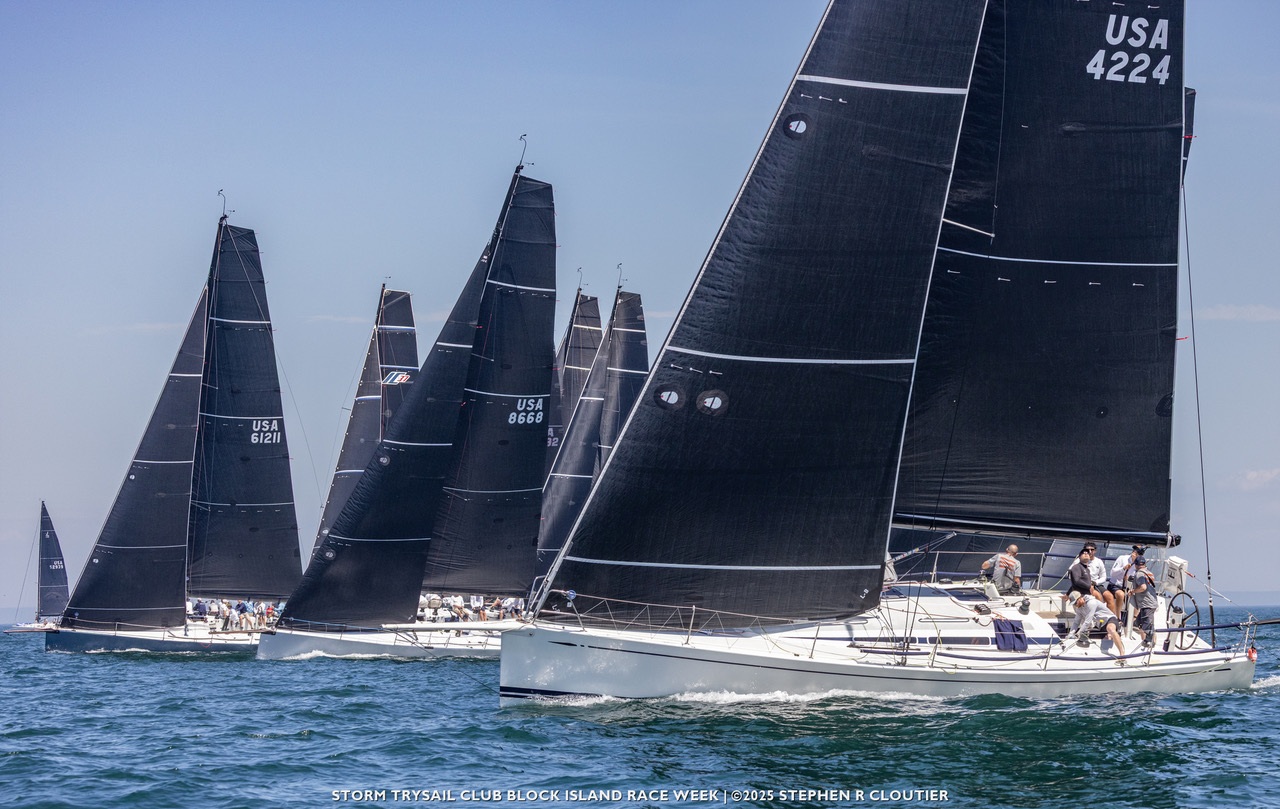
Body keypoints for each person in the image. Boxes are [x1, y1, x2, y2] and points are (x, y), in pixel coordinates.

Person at [1069, 591, 1126, 660]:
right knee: (1087, 635)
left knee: (1110, 629)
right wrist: (1070, 634)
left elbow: (1087, 621)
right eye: (1074, 604)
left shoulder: (1091, 603)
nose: (1075, 605)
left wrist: (1078, 633)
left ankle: (1122, 654)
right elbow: (1076, 622)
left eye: (1075, 603)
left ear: (1080, 598)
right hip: (1100, 625)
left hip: (1110, 619)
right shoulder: (1079, 609)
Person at [1127, 556, 1158, 648]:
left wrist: (1133, 591)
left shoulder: (1139, 574)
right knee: (1138, 623)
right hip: (1151, 602)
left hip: (1147, 604)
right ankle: (1148, 640)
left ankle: (1150, 643)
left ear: (1136, 565)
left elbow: (1143, 587)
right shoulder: (1148, 572)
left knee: (1147, 626)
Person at [1108, 546, 1143, 620]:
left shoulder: (1139, 565)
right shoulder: (1122, 558)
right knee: (1121, 595)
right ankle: (1117, 618)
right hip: (1115, 585)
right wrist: (1123, 568)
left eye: (1138, 552)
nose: (1135, 553)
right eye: (1134, 550)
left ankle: (1133, 620)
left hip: (1129, 587)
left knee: (1140, 596)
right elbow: (1112, 573)